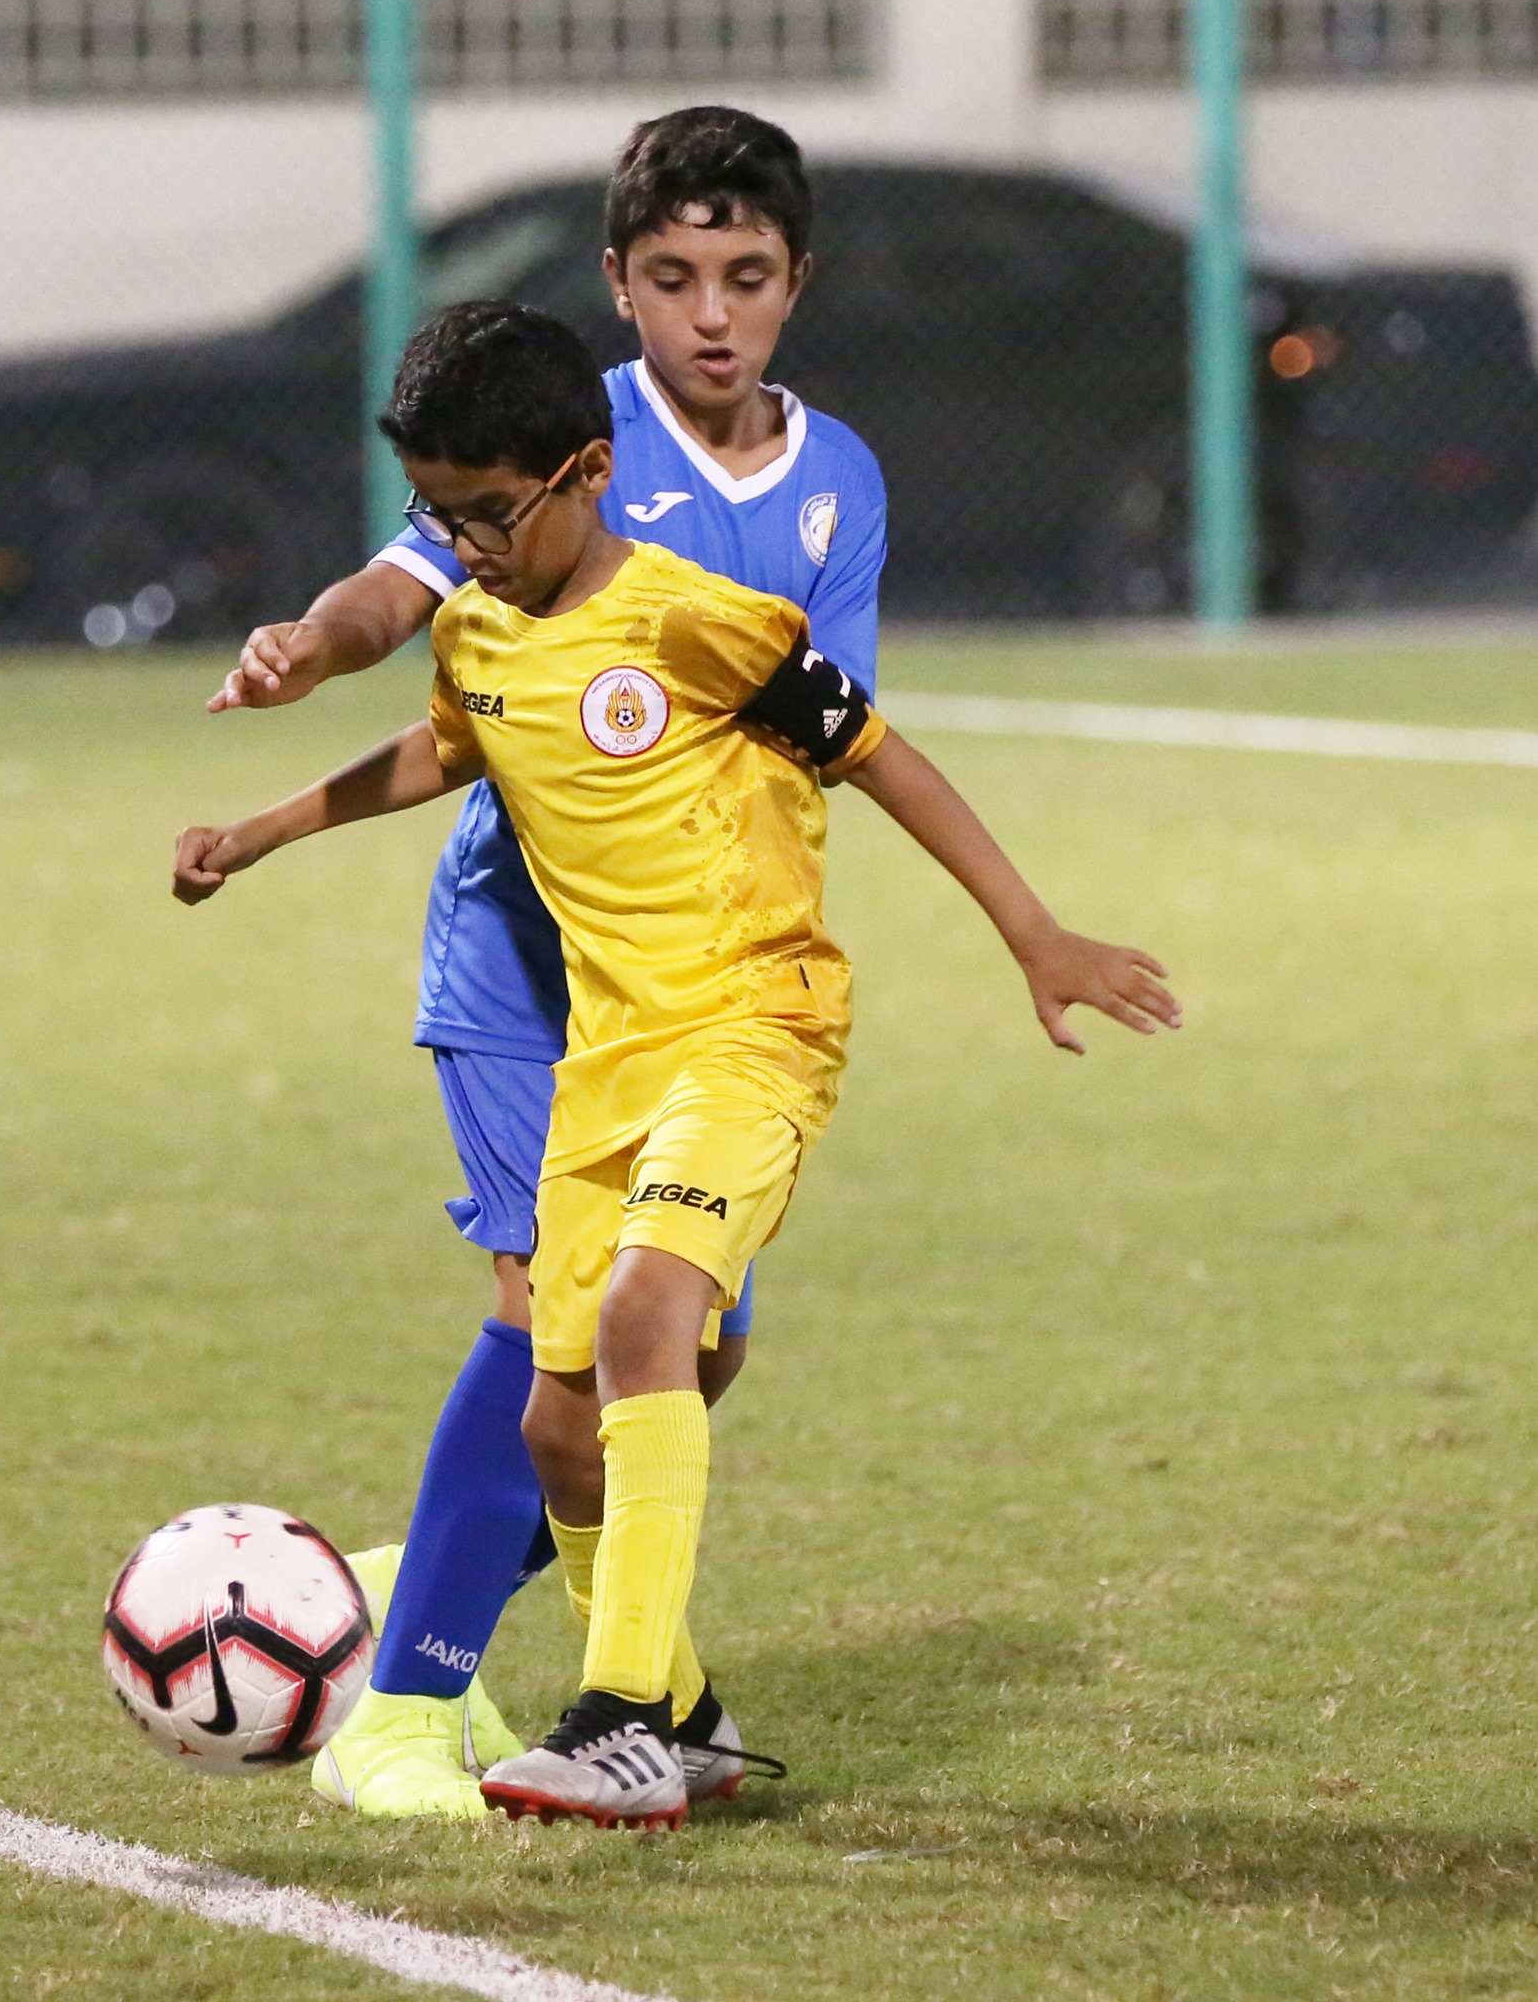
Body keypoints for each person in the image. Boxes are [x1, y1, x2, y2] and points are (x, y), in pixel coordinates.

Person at [173, 301, 1182, 1828]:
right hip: (607, 1060)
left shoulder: (695, 620)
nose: (467, 545)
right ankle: (690, 1717)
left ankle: (621, 1715)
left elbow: (877, 752)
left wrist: (1032, 932)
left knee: (652, 1319)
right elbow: (450, 747)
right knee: (556, 1428)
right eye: (440, 515)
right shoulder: (477, 628)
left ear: (586, 472)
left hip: (753, 1024)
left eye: (489, 512)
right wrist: (258, 834)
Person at [203, 108, 889, 1818]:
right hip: (526, 963)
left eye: (743, 277)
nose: (710, 314)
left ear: (794, 284)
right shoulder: (556, 434)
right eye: (672, 277)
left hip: (699, 979)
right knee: (551, 1335)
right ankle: (405, 1704)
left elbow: (821, 719)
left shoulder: (837, 480)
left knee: (689, 1357)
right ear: (618, 284)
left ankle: (485, 1592)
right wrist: (312, 646)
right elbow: (397, 591)